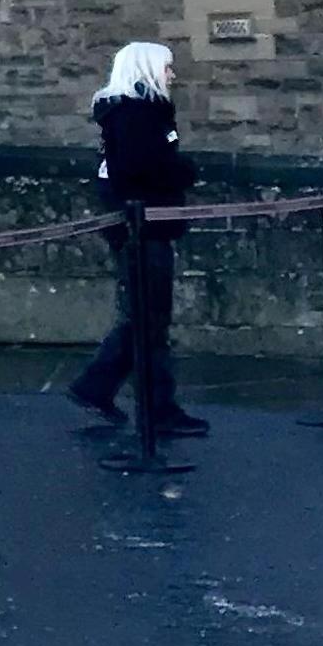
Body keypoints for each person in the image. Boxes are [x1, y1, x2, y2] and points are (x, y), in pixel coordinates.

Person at [68, 40, 209, 436]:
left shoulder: (139, 112)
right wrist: (183, 172)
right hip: (142, 225)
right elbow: (141, 169)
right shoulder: (137, 114)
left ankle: (99, 387)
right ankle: (155, 408)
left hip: (144, 224)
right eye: (166, 67)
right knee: (149, 320)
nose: (172, 75)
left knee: (144, 318)